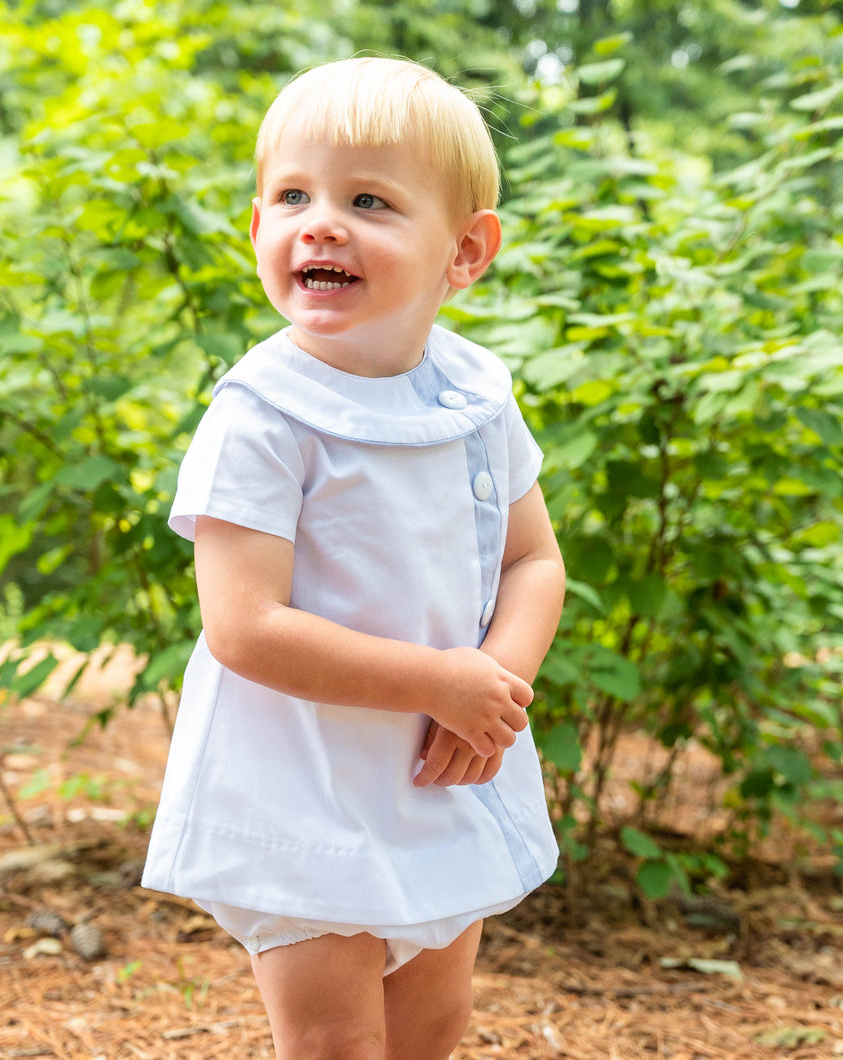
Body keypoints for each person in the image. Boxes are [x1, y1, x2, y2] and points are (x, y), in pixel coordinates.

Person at [141, 56, 565, 1060]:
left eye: (367, 199)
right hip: (301, 780)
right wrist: (440, 679)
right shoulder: (263, 416)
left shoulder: (472, 396)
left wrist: (495, 687)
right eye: (292, 195)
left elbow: (532, 559)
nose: (319, 222)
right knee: (335, 1041)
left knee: (433, 1028)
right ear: (257, 230)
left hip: (439, 766)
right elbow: (244, 625)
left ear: (465, 251)